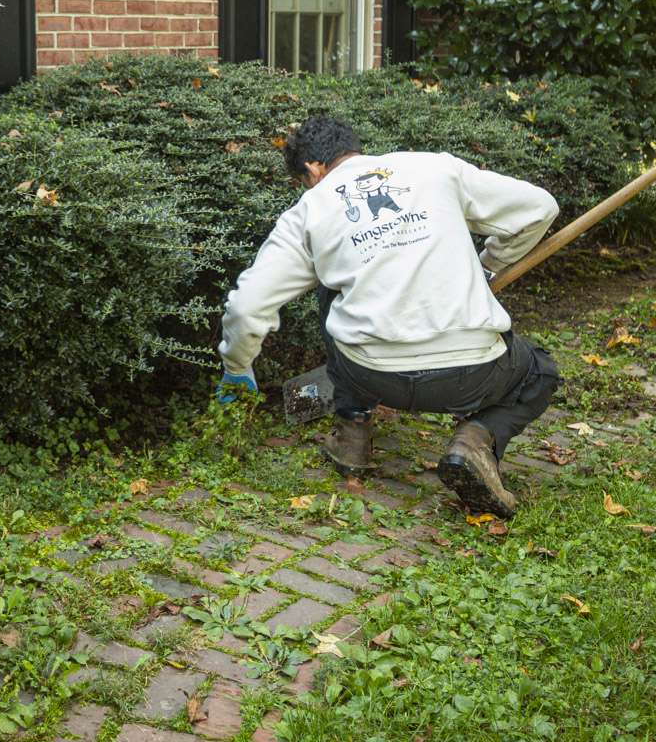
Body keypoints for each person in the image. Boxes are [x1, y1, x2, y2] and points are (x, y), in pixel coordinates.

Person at [215, 114, 562, 518]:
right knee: (539, 373)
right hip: (475, 375)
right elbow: (539, 208)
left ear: (312, 168)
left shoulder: (307, 213)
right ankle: (476, 438)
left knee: (331, 288)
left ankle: (352, 435)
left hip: (371, 374)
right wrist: (490, 264)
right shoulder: (435, 168)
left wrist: (237, 367)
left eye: (301, 181)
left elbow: (247, 306)